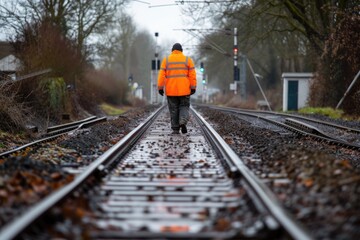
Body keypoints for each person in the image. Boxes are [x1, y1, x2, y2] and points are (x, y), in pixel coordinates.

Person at [157, 43, 197, 134]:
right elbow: (192, 75)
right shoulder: (188, 60)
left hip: (171, 90)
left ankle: (175, 128)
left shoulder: (166, 60)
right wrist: (193, 87)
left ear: (172, 51)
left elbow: (161, 75)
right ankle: (182, 122)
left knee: (173, 108)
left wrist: (160, 87)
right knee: (184, 106)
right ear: (181, 51)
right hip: (185, 90)